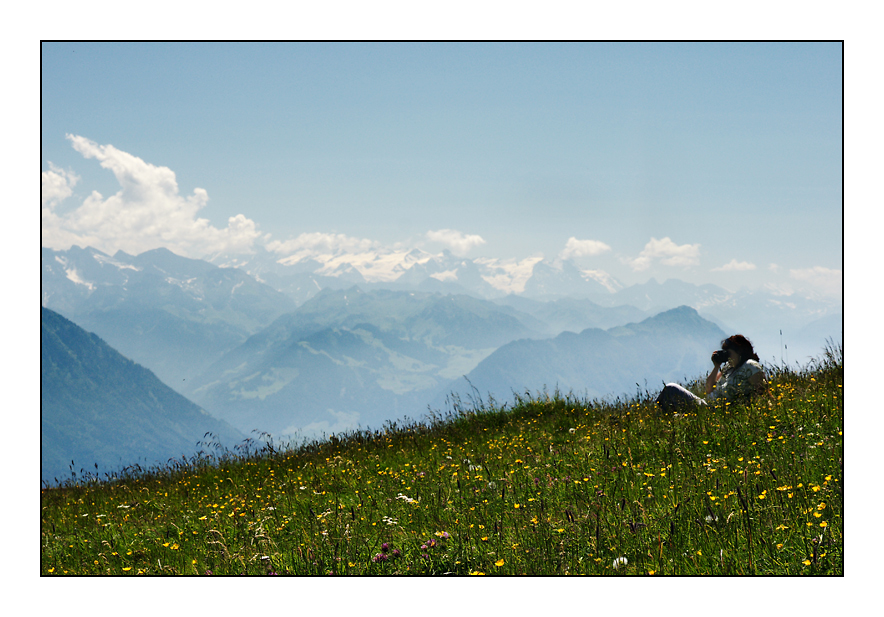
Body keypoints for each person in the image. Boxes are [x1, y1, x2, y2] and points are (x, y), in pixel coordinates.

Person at [655, 334, 766, 411]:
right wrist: (716, 366)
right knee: (670, 398)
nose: (727, 356)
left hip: (716, 411)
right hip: (708, 406)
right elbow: (709, 389)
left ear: (739, 352)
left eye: (729, 353)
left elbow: (763, 392)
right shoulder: (729, 368)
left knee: (671, 388)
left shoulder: (750, 366)